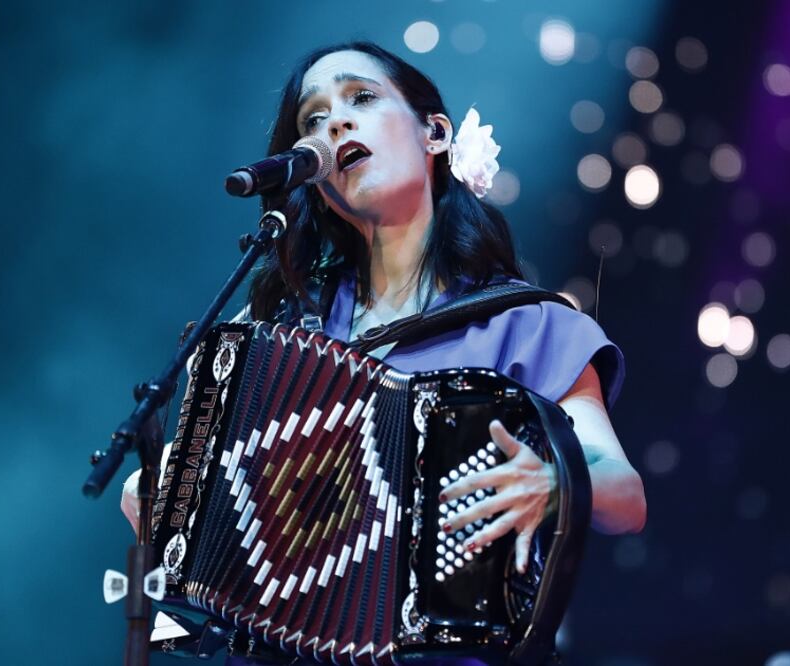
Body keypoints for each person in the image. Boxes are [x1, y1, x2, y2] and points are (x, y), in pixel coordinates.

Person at [122, 41, 646, 664]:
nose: (332, 124)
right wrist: (165, 495)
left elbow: (625, 495)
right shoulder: (278, 328)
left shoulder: (526, 324)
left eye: (361, 98)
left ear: (435, 134)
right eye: (312, 119)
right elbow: (196, 498)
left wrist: (557, 479)